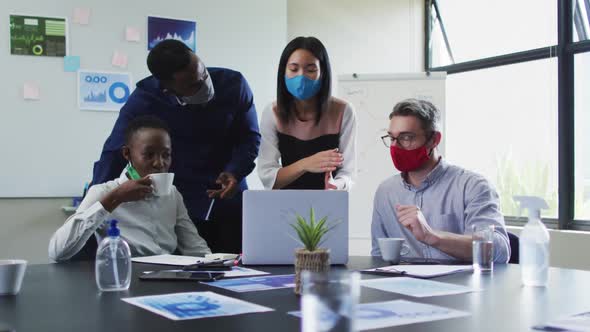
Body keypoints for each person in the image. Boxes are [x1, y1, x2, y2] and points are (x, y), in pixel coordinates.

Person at [92, 40, 260, 253]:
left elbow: (250, 137)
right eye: (194, 85)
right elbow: (114, 153)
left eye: (204, 75)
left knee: (236, 266)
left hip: (228, 193)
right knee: (185, 270)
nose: (205, 85)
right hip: (179, 200)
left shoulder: (233, 84)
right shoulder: (144, 101)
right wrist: (97, 203)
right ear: (167, 89)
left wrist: (236, 171)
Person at [49, 116, 211, 261]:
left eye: (166, 155)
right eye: (149, 155)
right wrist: (115, 198)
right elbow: (57, 252)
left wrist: (217, 266)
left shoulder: (172, 194)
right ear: (127, 154)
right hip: (126, 276)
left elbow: (194, 246)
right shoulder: (104, 192)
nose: (159, 163)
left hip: (167, 277)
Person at [371, 99, 510, 263]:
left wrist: (431, 236)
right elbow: (378, 256)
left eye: (406, 137)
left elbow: (499, 251)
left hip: (460, 286)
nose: (396, 146)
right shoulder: (386, 191)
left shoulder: (472, 186)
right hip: (403, 285)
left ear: (434, 140)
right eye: (392, 138)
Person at [258, 36, 357, 190]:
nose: (301, 76)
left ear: (323, 73)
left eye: (310, 70)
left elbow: (348, 173)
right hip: (285, 205)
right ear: (283, 71)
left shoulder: (343, 111)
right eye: (293, 69)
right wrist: (305, 164)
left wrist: (336, 185)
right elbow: (268, 178)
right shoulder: (273, 113)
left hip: (330, 204)